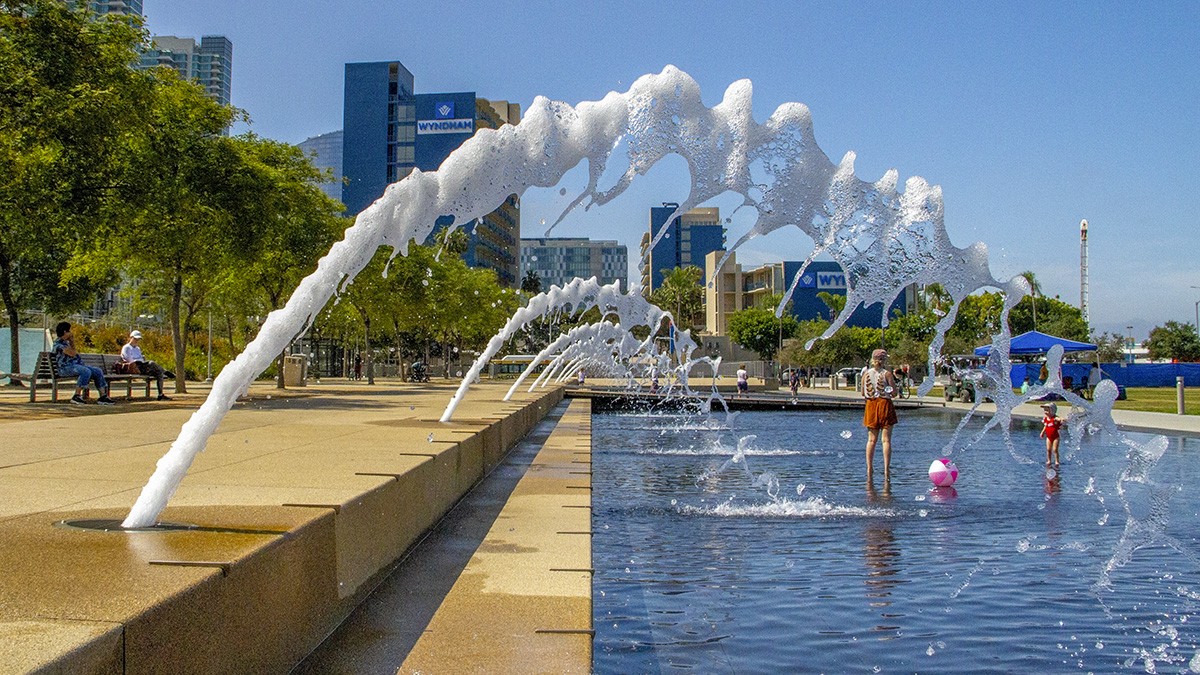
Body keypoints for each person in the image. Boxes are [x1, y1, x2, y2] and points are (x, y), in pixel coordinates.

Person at [52, 321, 116, 405]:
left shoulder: (66, 343)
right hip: (64, 368)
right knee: (85, 371)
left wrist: (71, 342)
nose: (71, 333)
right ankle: (77, 395)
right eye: (69, 331)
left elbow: (74, 353)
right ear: (65, 332)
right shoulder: (58, 344)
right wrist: (72, 341)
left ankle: (103, 396)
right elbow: (73, 353)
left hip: (74, 366)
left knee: (97, 371)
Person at [860, 348, 897, 480]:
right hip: (885, 404)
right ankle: (886, 469)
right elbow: (894, 393)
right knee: (886, 440)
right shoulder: (887, 374)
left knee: (871, 440)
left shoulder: (866, 374)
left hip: (871, 405)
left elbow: (863, 393)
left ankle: (869, 468)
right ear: (884, 359)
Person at [120, 330, 171, 401]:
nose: (136, 341)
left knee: (159, 373)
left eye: (138, 339)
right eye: (135, 339)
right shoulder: (126, 347)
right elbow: (129, 359)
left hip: (142, 366)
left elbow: (141, 359)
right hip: (134, 367)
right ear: (131, 337)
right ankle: (165, 371)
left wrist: (141, 360)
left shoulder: (137, 348)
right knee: (151, 363)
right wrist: (138, 361)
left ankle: (160, 394)